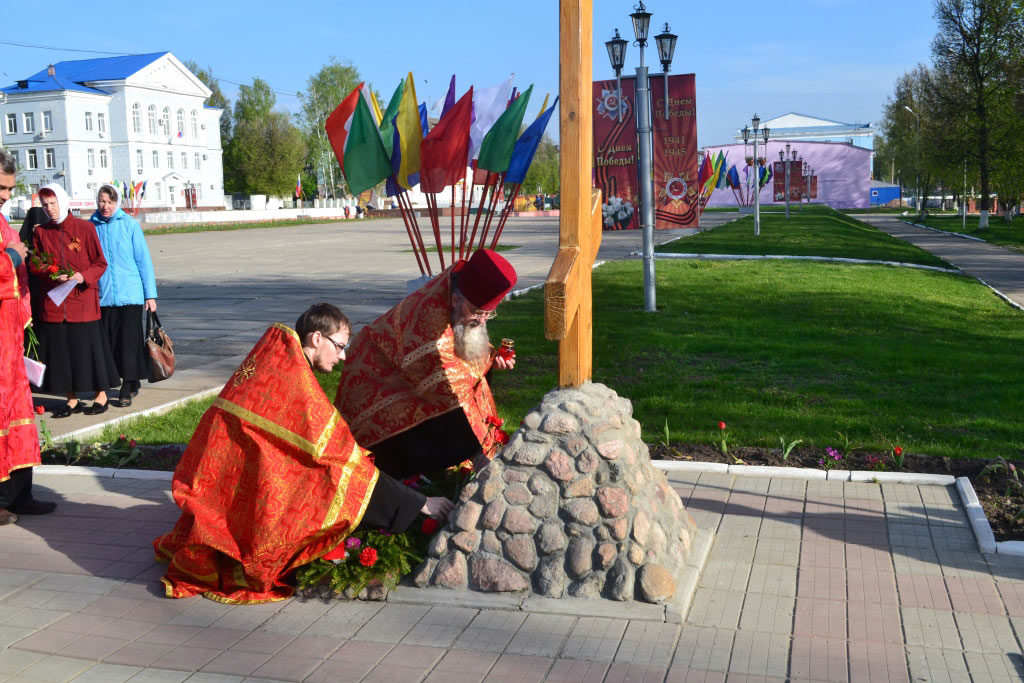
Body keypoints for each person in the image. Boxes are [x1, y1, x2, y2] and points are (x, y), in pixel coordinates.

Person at [154, 303, 453, 603]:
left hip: (221, 483)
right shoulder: (291, 378)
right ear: (317, 338)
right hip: (238, 485)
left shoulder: (279, 361)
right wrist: (420, 503)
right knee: (335, 474)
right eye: (340, 346)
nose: (343, 356)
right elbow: (339, 457)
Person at [335, 248, 517, 479]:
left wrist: (490, 361)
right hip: (377, 376)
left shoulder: (460, 303)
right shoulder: (429, 327)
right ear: (455, 300)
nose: (481, 321)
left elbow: (464, 356)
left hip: (407, 373)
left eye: (488, 314)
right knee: (424, 417)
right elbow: (448, 395)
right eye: (478, 313)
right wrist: (480, 458)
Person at [0, 149, 56, 524]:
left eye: (9, 189)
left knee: (18, 413)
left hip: (9, 338)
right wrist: (14, 258)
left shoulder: (2, 220)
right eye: (1, 188)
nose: (6, 196)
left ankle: (19, 495)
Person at [31, 184, 119, 416]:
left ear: (63, 201)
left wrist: (83, 276)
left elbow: (100, 263)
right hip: (55, 304)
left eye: (53, 203)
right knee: (62, 354)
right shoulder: (41, 232)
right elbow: (36, 264)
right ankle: (71, 399)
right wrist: (51, 274)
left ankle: (100, 396)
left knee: (88, 352)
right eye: (45, 205)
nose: (49, 208)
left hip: (82, 302)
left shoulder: (85, 228)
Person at [90, 184, 157, 408]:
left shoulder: (130, 225)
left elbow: (143, 260)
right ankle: (129, 379)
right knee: (110, 344)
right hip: (104, 296)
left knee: (129, 343)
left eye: (109, 202)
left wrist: (150, 295)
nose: (105, 206)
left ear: (116, 203)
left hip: (130, 294)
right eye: (102, 201)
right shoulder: (91, 226)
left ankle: (127, 386)